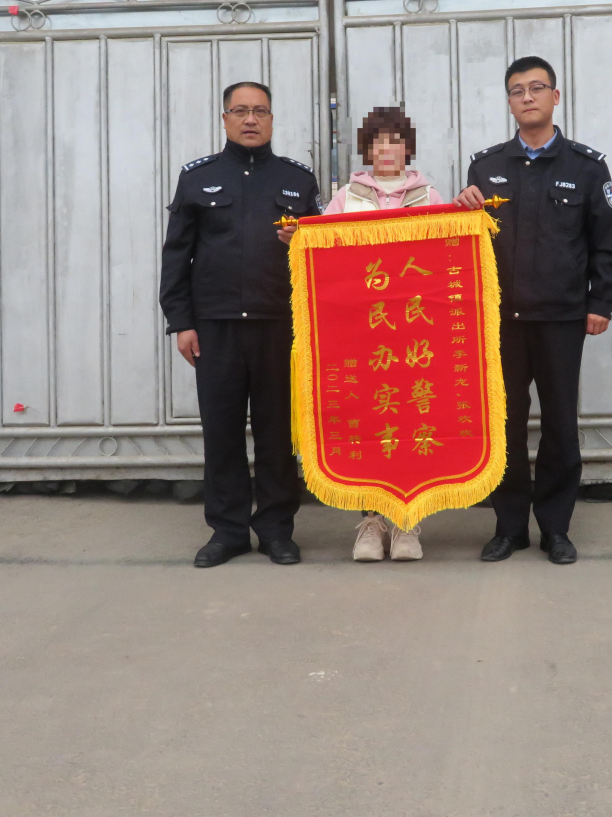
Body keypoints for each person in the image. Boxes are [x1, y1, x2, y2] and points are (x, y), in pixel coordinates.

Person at [454, 56, 612, 565]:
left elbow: (607, 241)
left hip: (561, 319)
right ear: (509, 102)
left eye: (536, 88)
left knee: (559, 425)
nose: (527, 97)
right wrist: (462, 212)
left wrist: (600, 301)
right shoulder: (485, 168)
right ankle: (509, 527)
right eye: (517, 90)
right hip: (500, 322)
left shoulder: (586, 167)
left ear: (555, 96)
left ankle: (555, 528)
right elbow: (467, 246)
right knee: (504, 425)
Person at [160, 81, 321, 568]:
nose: (251, 119)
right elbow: (177, 255)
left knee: (277, 433)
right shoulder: (198, 178)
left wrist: (301, 242)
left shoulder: (297, 180)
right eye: (241, 111)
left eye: (260, 111)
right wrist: (181, 322)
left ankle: (275, 530)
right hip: (216, 327)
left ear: (272, 119)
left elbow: (321, 256)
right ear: (225, 118)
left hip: (280, 326)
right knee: (222, 432)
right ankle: (227, 531)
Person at [323, 107, 444, 562]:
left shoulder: (428, 195)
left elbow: (446, 256)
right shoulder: (346, 198)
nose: (386, 150)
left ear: (407, 147)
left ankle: (408, 522)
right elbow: (323, 253)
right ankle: (371, 523)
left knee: (411, 421)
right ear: (366, 149)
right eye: (377, 142)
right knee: (371, 423)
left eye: (395, 140)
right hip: (363, 332)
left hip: (414, 333)